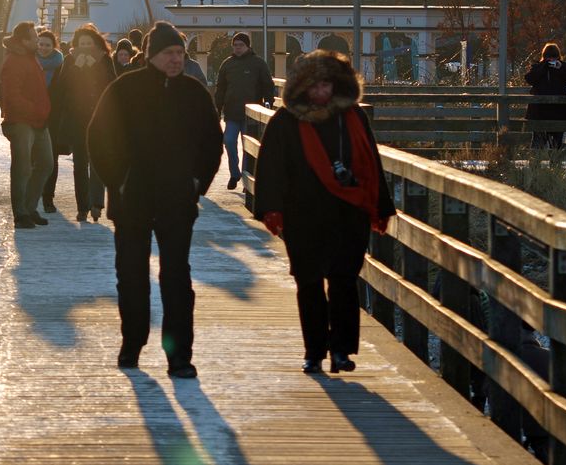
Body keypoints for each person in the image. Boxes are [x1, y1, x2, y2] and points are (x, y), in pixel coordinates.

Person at [88, 21, 222, 378]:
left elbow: (212, 143)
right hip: (132, 198)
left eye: (180, 53)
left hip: (178, 199)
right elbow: (98, 137)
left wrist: (198, 184)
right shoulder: (125, 89)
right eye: (168, 53)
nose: (176, 59)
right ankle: (132, 343)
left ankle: (179, 356)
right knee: (131, 274)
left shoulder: (194, 93)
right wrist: (118, 182)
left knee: (176, 277)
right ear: (152, 55)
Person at [253, 50, 395, 375]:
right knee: (310, 282)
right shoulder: (286, 121)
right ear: (302, 87)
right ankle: (314, 352)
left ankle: (342, 351)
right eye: (314, 86)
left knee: (344, 281)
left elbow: (371, 162)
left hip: (348, 213)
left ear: (337, 85)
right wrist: (271, 208)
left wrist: (381, 207)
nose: (321, 93)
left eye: (326, 85)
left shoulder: (353, 118)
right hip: (304, 215)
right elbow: (271, 167)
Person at [50, 24, 116, 221]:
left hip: (99, 118)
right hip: (77, 119)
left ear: (96, 43)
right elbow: (61, 87)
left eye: (89, 43)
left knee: (96, 162)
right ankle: (82, 206)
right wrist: (77, 67)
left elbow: (112, 84)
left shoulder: (104, 60)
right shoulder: (70, 60)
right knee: (80, 164)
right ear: (76, 44)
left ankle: (96, 203)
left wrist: (94, 67)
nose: (85, 46)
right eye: (82, 43)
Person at [1, 21, 54, 229]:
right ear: (24, 41)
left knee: (46, 163)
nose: (38, 41)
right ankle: (21, 213)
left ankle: (30, 207)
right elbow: (12, 95)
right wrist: (35, 109)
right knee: (22, 167)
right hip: (21, 121)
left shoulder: (31, 59)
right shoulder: (14, 61)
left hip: (38, 120)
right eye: (34, 38)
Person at [215, 32, 274, 189]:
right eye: (235, 45)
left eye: (241, 45)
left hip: (251, 115)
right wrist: (217, 107)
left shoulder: (258, 63)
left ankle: (246, 177)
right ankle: (235, 174)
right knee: (228, 141)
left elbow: (268, 85)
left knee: (247, 146)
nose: (238, 48)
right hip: (232, 113)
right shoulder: (227, 64)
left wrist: (269, 102)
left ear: (248, 46)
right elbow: (220, 88)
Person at [524, 42, 566, 149]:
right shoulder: (539, 68)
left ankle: (547, 163)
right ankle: (538, 163)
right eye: (549, 57)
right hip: (545, 112)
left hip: (551, 112)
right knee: (540, 142)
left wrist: (561, 67)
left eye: (554, 57)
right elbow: (529, 78)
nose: (551, 60)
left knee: (553, 143)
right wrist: (543, 66)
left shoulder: (563, 67)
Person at [36, 29, 64, 213]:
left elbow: (65, 91)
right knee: (33, 157)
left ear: (53, 47)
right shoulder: (30, 62)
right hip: (33, 115)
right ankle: (35, 193)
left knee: (51, 157)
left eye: (47, 45)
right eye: (40, 44)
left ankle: (48, 197)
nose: (43, 48)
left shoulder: (60, 65)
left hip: (54, 117)